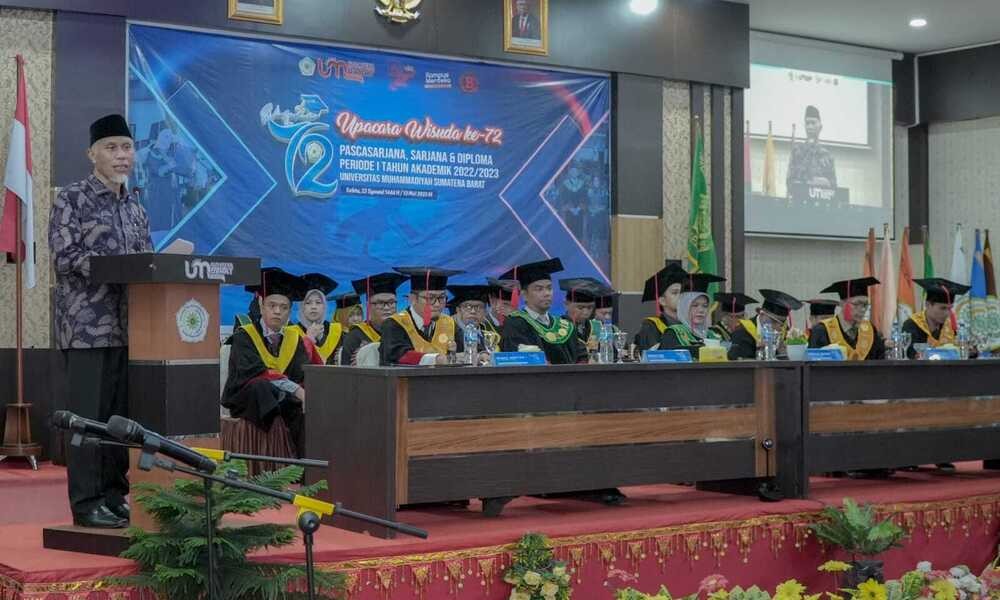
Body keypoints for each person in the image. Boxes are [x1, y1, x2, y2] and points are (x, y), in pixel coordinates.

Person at [48, 114, 152, 528]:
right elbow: (65, 257)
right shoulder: (71, 199)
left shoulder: (136, 206)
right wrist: (118, 268)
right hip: (86, 329)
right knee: (88, 419)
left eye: (127, 147)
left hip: (132, 330)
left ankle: (113, 494)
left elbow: (147, 262)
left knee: (118, 418)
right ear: (92, 154)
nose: (121, 155)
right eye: (111, 148)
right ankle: (86, 502)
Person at [223, 268, 320, 459]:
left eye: (284, 307)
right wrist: (297, 391)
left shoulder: (295, 339)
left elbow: (302, 375)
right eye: (272, 305)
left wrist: (304, 393)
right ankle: (275, 454)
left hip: (285, 400)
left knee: (303, 409)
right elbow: (253, 373)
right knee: (262, 387)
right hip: (249, 401)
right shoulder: (244, 336)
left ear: (289, 311)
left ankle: (304, 467)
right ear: (261, 305)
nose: (277, 311)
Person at [499, 258, 587, 365]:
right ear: (524, 295)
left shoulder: (564, 324)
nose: (547, 293)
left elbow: (582, 357)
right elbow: (518, 362)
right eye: (539, 289)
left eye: (549, 288)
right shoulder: (515, 323)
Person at [379, 267, 462, 366]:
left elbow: (464, 352)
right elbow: (398, 355)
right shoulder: (394, 324)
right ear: (413, 299)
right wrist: (437, 359)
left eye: (442, 297)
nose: (437, 304)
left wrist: (475, 355)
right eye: (430, 298)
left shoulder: (449, 323)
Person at [808, 277, 885, 360]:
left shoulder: (870, 330)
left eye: (865, 304)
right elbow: (812, 365)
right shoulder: (822, 331)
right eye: (856, 304)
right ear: (842, 304)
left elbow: (880, 361)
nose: (863, 309)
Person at [339, 272, 407, 366]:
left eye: (391, 302)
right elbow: (346, 371)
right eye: (380, 303)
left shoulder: (405, 332)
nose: (387, 308)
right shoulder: (355, 336)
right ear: (368, 306)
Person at [727, 290, 802, 360]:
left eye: (782, 322)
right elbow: (738, 362)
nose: (778, 327)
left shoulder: (786, 332)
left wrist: (783, 354)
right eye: (774, 321)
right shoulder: (742, 331)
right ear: (762, 314)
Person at [903, 278, 968, 358]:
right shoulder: (912, 325)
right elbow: (911, 354)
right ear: (928, 305)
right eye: (943, 308)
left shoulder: (950, 327)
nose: (947, 313)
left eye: (949, 308)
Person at [786, 105, 837, 191]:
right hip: (800, 197)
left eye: (813, 123)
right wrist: (810, 182)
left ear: (820, 127)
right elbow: (789, 182)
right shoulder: (797, 152)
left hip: (821, 198)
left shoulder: (827, 155)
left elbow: (834, 187)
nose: (810, 127)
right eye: (807, 123)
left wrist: (825, 182)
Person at [296, 273, 342, 365]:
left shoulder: (336, 331)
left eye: (318, 302)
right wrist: (309, 338)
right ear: (302, 307)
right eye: (308, 303)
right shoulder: (293, 333)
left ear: (324, 306)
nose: (314, 307)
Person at [447, 284, 493, 358]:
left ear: (485, 312)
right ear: (458, 310)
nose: (473, 311)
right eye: (467, 306)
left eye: (479, 307)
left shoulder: (490, 332)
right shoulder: (448, 332)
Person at [559, 277, 602, 348]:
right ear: (566, 304)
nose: (585, 312)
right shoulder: (558, 327)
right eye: (580, 308)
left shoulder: (598, 327)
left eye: (590, 307)